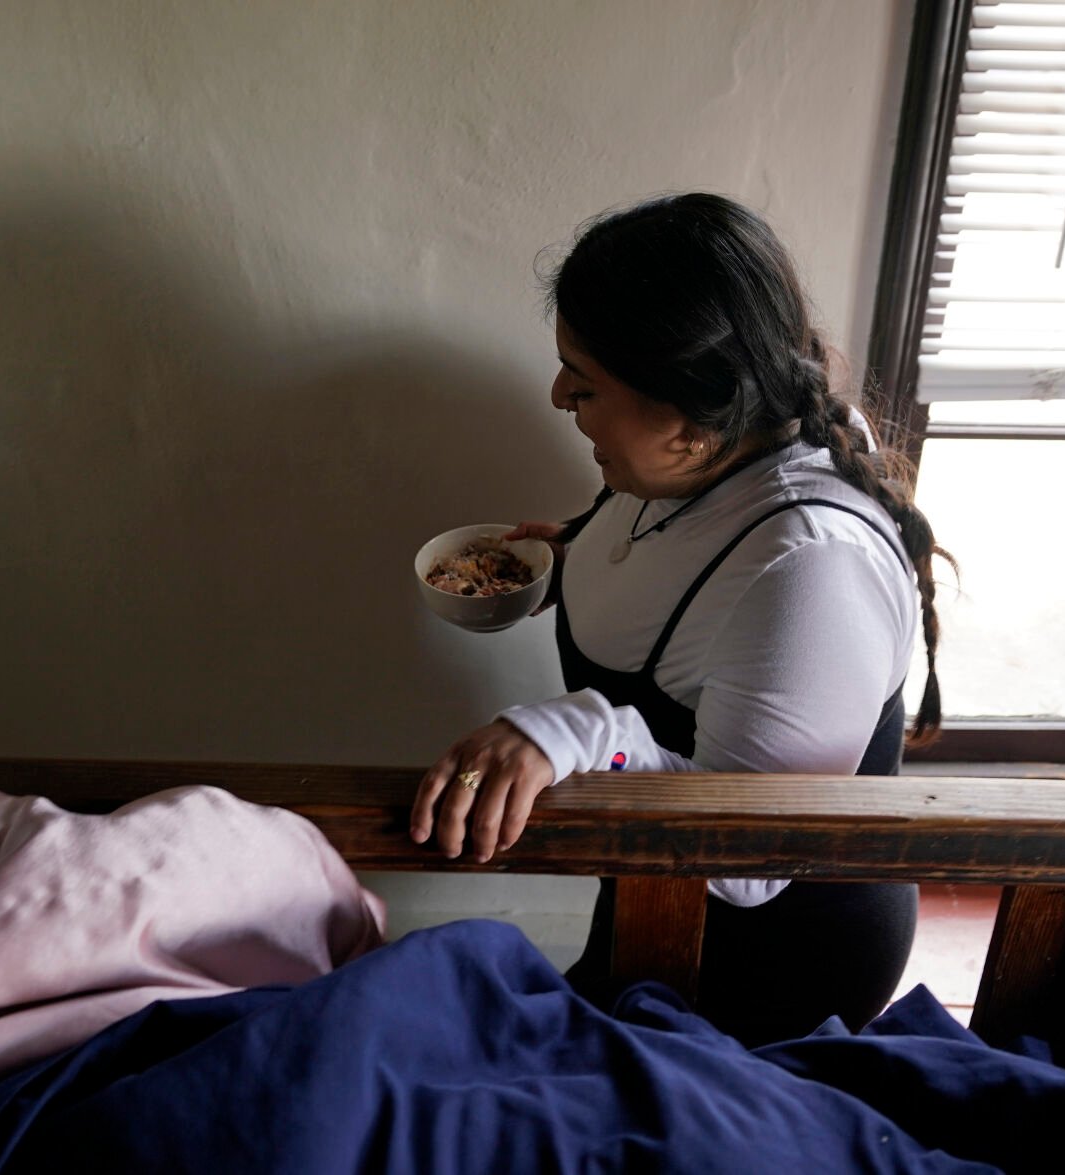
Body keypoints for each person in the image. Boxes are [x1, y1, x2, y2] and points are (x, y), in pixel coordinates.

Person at [408, 192, 952, 1045]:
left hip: (764, 966)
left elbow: (747, 866)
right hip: (646, 903)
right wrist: (572, 562)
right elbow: (688, 583)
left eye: (583, 383)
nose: (556, 396)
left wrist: (581, 729)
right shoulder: (708, 456)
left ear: (693, 410)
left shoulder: (811, 564)